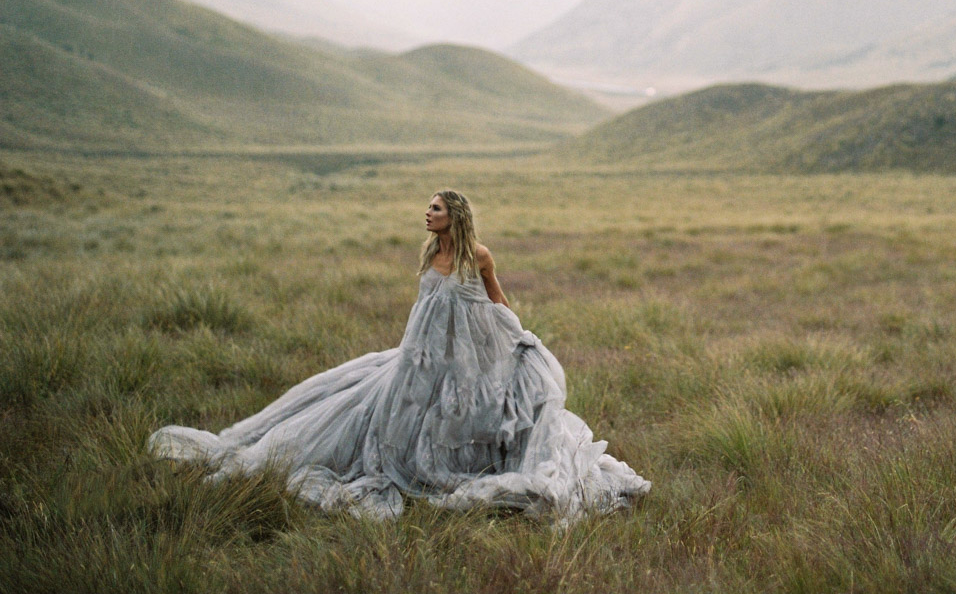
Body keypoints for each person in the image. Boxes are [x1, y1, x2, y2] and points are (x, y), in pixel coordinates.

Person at [148, 189, 650, 521]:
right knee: (379, 405)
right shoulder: (429, 253)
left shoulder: (478, 255)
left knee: (470, 411)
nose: (426, 214)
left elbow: (496, 299)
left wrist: (518, 339)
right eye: (427, 208)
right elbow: (425, 305)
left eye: (434, 208)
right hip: (422, 352)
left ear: (455, 215)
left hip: (469, 352)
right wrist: (414, 352)